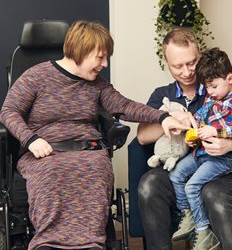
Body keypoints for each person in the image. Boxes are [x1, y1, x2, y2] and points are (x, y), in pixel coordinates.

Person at [0, 20, 191, 250]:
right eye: (100, 57)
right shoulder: (36, 76)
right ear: (80, 51)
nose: (105, 63)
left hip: (88, 149)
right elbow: (8, 111)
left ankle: (90, 244)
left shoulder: (97, 85)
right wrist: (30, 139)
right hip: (45, 151)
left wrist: (163, 117)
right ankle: (49, 243)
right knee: (52, 172)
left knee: (97, 168)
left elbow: (125, 105)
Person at [137, 28, 232, 250]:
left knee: (213, 192)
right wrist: (169, 118)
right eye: (177, 66)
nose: (187, 72)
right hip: (187, 164)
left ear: (199, 54)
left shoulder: (218, 85)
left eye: (192, 63)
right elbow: (142, 137)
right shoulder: (162, 95)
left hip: (225, 170)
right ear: (166, 63)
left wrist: (231, 144)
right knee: (149, 183)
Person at [169, 47, 232, 250]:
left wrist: (214, 131)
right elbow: (200, 118)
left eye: (214, 86)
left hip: (223, 158)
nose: (210, 92)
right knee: (176, 173)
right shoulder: (212, 97)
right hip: (202, 152)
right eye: (207, 87)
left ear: (230, 78)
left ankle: (203, 231)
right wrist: (194, 134)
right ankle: (188, 215)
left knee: (192, 186)